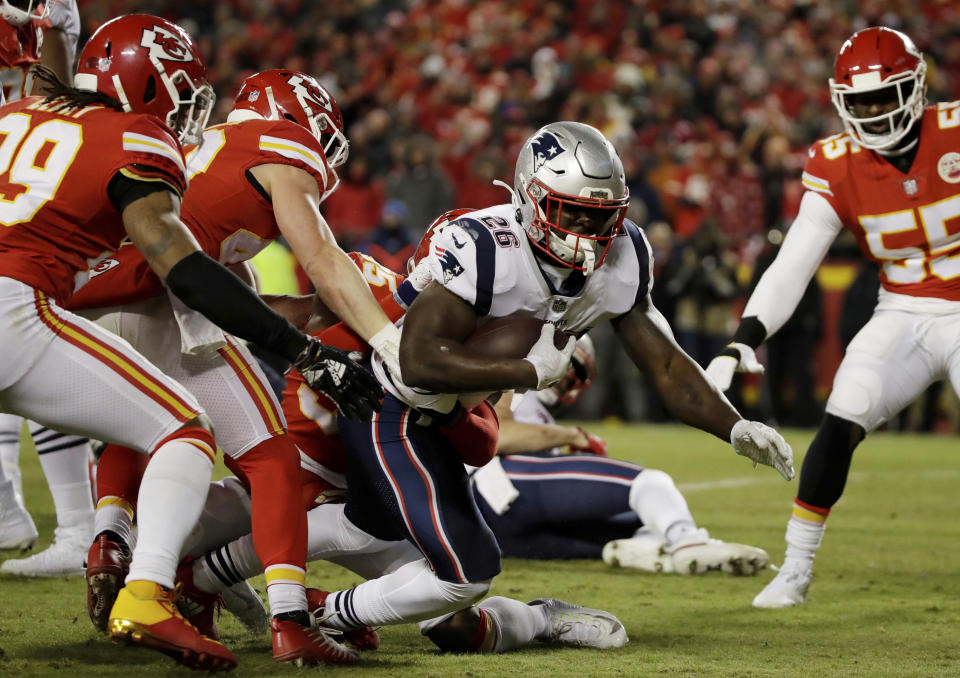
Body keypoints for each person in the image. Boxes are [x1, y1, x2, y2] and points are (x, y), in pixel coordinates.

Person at [290, 121, 793, 648]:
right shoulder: (487, 244)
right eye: (571, 210)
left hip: (457, 421)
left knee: (449, 617)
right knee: (464, 567)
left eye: (602, 215)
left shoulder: (624, 255)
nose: (586, 229)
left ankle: (536, 620)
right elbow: (416, 360)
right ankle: (313, 612)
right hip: (394, 402)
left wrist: (734, 427)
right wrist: (527, 372)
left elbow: (666, 365)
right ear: (531, 198)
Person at [0, 14, 378, 672]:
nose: (188, 107)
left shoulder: (21, 110)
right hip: (53, 301)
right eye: (179, 88)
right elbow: (188, 268)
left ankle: (111, 538)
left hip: (87, 297)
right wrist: (311, 352)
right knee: (205, 436)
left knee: (139, 415)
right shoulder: (156, 137)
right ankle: (181, 597)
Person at [172, 248, 629, 654]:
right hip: (285, 478)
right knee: (173, 540)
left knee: (456, 624)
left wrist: (447, 407)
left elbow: (485, 442)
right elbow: (287, 315)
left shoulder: (464, 345)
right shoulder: (361, 285)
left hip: (360, 503)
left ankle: (539, 617)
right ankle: (200, 582)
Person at [704, 27, 959, 609]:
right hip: (904, 309)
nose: (872, 112)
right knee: (846, 409)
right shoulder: (835, 163)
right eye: (861, 101)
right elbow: (793, 264)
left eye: (884, 97)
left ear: (916, 88)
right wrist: (743, 338)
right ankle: (795, 569)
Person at [482, 335, 770, 575]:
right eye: (570, 368)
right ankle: (688, 541)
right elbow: (498, 437)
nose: (565, 380)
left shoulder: (539, 414)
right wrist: (572, 436)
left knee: (640, 524)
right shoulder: (514, 382)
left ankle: (649, 551)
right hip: (493, 491)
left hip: (505, 533)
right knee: (648, 483)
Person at [0, 0, 91, 575]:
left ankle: (87, 527)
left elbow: (56, 101)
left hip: (32, 199)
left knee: (38, 346)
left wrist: (56, 29)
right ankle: (19, 511)